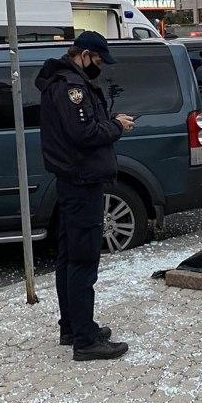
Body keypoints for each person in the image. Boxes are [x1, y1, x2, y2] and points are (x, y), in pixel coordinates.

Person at [36, 31, 134, 361]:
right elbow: (83, 133)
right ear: (85, 54)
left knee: (69, 256)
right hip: (81, 180)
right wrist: (116, 125)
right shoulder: (71, 86)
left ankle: (73, 326)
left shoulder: (65, 80)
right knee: (82, 259)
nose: (101, 67)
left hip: (73, 179)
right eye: (99, 61)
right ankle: (85, 340)